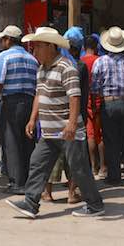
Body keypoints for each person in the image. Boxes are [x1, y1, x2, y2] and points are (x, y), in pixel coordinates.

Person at [6, 27, 105, 218]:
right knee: (37, 162)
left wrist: (71, 124)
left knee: (79, 168)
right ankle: (30, 203)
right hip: (50, 132)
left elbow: (74, 97)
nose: (34, 51)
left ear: (51, 46)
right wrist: (33, 118)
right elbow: (39, 94)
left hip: (68, 131)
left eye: (38, 47)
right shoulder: (41, 68)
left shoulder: (66, 67)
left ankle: (95, 205)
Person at [0, 25, 39, 194]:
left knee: (11, 143)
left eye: (2, 39)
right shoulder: (32, 59)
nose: (0, 42)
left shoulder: (4, 57)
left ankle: (17, 183)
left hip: (10, 102)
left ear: (9, 40)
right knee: (27, 142)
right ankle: (28, 180)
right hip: (29, 102)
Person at [41, 27, 88, 203]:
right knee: (73, 159)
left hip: (56, 119)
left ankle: (47, 192)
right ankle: (71, 193)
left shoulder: (57, 66)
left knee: (53, 158)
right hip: (72, 118)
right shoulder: (78, 66)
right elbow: (79, 96)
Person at [91, 26, 124, 185]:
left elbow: (95, 87)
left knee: (111, 140)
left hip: (108, 103)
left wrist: (97, 105)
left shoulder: (100, 62)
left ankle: (114, 175)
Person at [81, 34, 106, 178]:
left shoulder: (80, 61)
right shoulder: (101, 60)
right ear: (96, 47)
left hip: (86, 101)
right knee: (100, 135)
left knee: (90, 134)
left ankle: (93, 167)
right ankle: (103, 166)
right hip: (99, 100)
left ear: (84, 47)